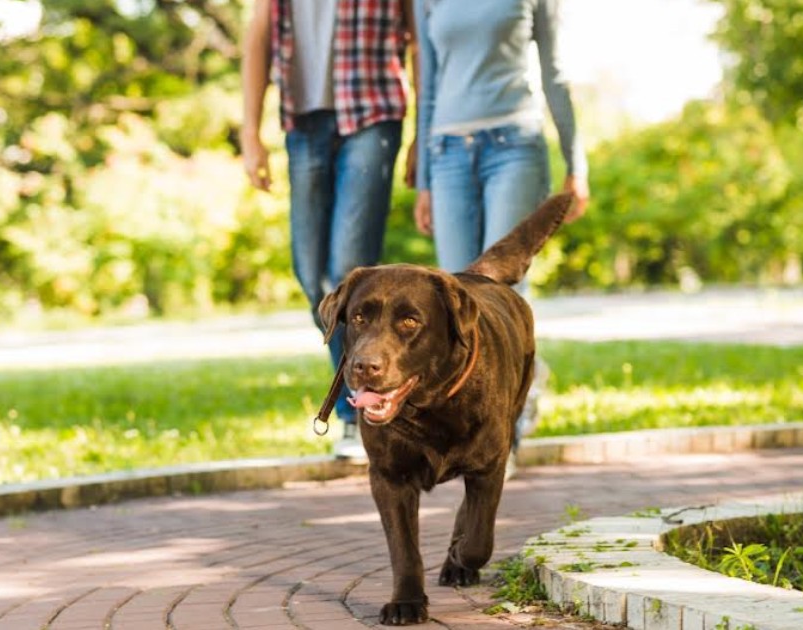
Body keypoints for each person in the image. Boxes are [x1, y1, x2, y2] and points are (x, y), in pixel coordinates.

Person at [411, 0, 590, 477]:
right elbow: (427, 87)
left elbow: (554, 73)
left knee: (499, 290)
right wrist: (425, 180)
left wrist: (577, 162)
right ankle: (493, 407)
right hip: (447, 151)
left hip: (514, 145)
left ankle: (502, 436)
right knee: (454, 300)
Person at [241, 0, 413, 459]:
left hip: (373, 114)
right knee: (313, 277)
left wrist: (424, 133)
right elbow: (258, 34)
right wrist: (249, 132)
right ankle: (372, 397)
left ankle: (359, 413)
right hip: (304, 121)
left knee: (347, 271)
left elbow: (420, 37)